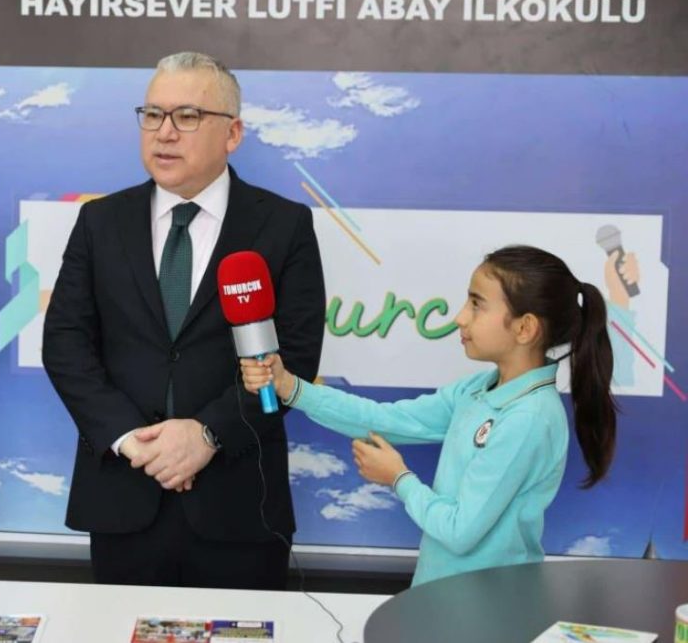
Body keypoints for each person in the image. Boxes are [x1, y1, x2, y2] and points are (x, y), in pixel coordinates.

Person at [42, 52, 326, 589]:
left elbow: (294, 357)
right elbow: (65, 343)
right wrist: (131, 440)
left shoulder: (284, 225)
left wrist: (209, 435)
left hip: (239, 504)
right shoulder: (101, 221)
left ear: (233, 133)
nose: (164, 132)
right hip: (124, 496)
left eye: (187, 116)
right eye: (153, 114)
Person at [242, 245, 617, 586]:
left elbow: (460, 531)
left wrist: (399, 478)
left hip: (489, 611)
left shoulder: (530, 418)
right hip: (440, 596)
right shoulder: (477, 389)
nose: (460, 318)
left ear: (525, 327)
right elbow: (384, 420)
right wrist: (291, 387)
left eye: (476, 305)